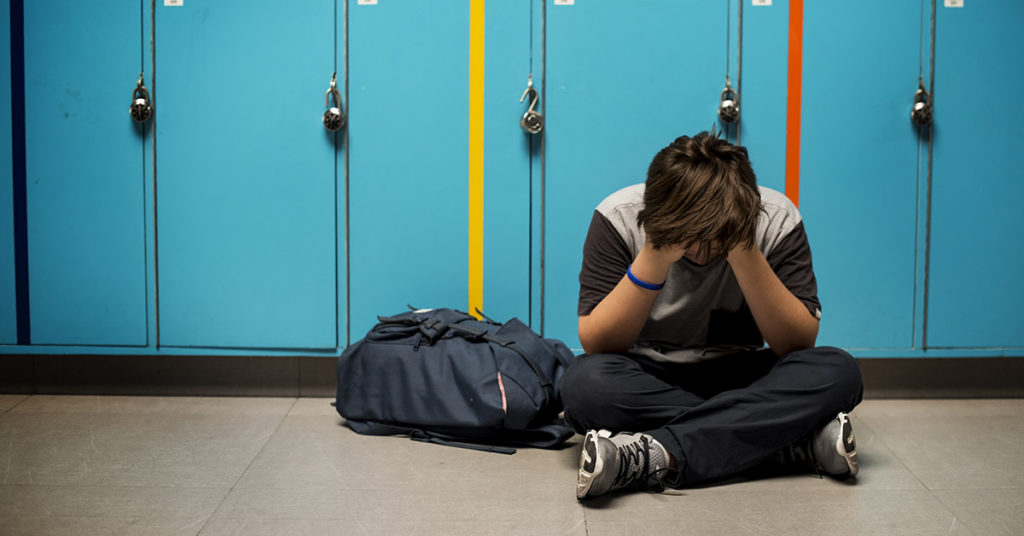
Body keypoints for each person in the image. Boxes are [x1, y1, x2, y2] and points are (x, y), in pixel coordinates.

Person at [560, 131, 863, 500]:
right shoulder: (619, 216)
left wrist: (742, 248)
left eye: (714, 236)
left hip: (741, 375)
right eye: (691, 236)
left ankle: (652, 453)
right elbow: (599, 343)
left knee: (839, 372)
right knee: (585, 386)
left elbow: (795, 343)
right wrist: (656, 254)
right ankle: (783, 441)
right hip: (648, 374)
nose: (703, 253)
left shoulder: (776, 218)